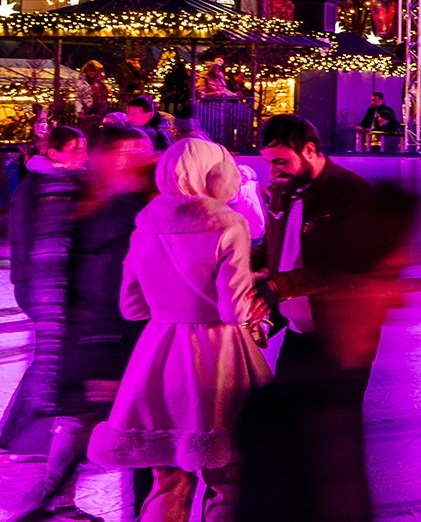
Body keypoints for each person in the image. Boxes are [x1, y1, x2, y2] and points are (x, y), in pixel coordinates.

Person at [88, 137, 270, 522]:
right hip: (217, 354)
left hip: (159, 353)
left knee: (166, 477)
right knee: (228, 475)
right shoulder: (228, 225)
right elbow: (234, 309)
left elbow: (132, 307)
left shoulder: (145, 227)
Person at [241, 113, 387, 522]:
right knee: (289, 431)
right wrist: (248, 268)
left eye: (280, 161)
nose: (272, 171)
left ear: (310, 151)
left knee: (331, 441)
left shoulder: (351, 194)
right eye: (267, 162)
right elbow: (277, 253)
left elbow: (346, 267)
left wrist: (277, 288)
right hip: (300, 333)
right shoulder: (284, 191)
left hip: (341, 335)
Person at [17, 124, 152, 522]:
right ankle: (52, 503)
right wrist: (100, 346)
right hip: (103, 341)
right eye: (127, 153)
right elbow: (96, 282)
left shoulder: (125, 203)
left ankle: (52, 501)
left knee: (100, 428)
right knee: (113, 429)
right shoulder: (97, 207)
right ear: (104, 158)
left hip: (109, 339)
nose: (137, 161)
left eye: (140, 153)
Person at [0, 127, 87, 456]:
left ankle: (20, 431)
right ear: (55, 153)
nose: (82, 154)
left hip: (39, 282)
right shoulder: (42, 186)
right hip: (38, 284)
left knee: (51, 356)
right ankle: (21, 433)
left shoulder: (51, 183)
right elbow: (34, 240)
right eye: (75, 148)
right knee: (51, 358)